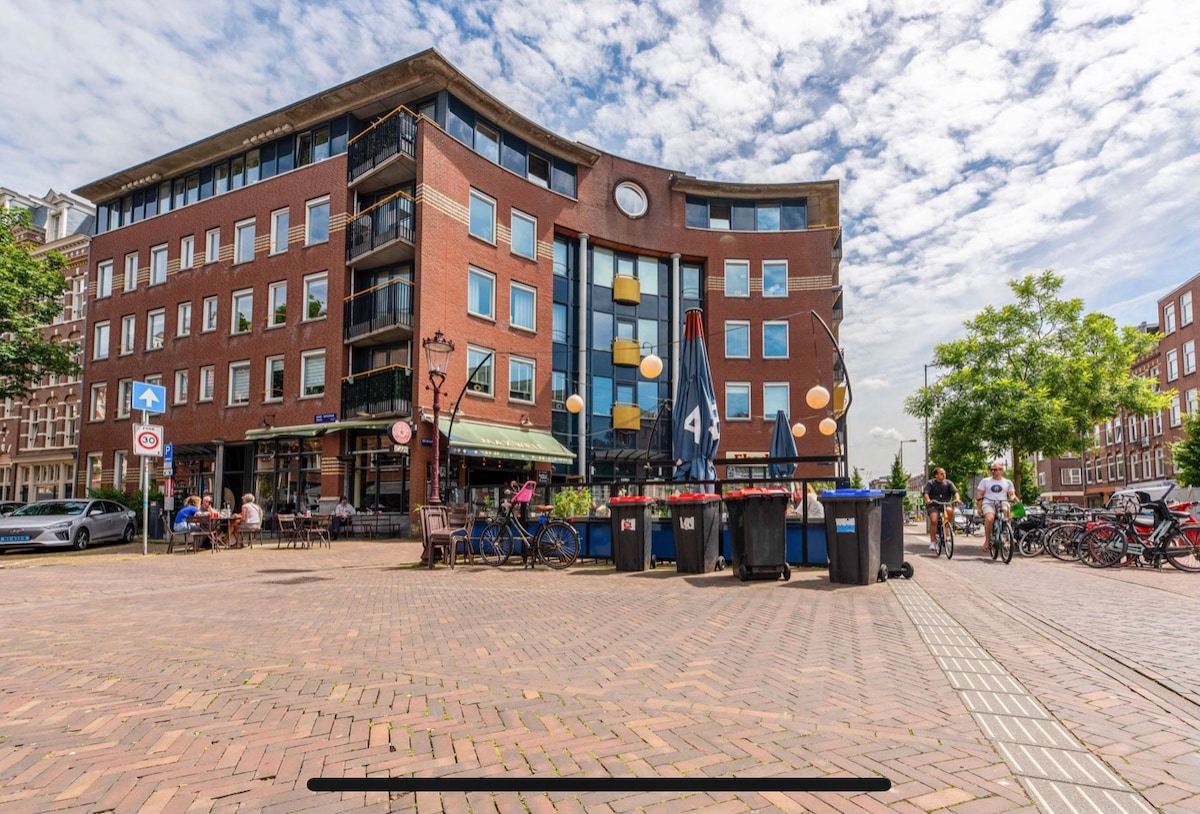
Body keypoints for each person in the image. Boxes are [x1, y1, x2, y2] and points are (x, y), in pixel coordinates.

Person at [976, 462, 1017, 554]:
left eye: (995, 470)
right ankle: (987, 541)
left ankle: (1008, 535)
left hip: (1002, 502)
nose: (992, 471)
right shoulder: (985, 481)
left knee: (1006, 510)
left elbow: (1012, 494)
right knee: (989, 518)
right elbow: (979, 494)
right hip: (988, 503)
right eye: (991, 469)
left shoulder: (1007, 482)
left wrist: (1014, 499)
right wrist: (979, 507)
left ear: (1001, 470)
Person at [922, 468, 961, 552]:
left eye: (944, 473)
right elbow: (926, 493)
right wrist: (928, 499)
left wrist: (957, 499)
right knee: (934, 520)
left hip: (945, 503)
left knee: (950, 511)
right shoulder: (931, 483)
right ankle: (933, 542)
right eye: (941, 474)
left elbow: (955, 492)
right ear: (936, 475)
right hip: (934, 504)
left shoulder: (948, 483)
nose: (944, 475)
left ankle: (947, 527)